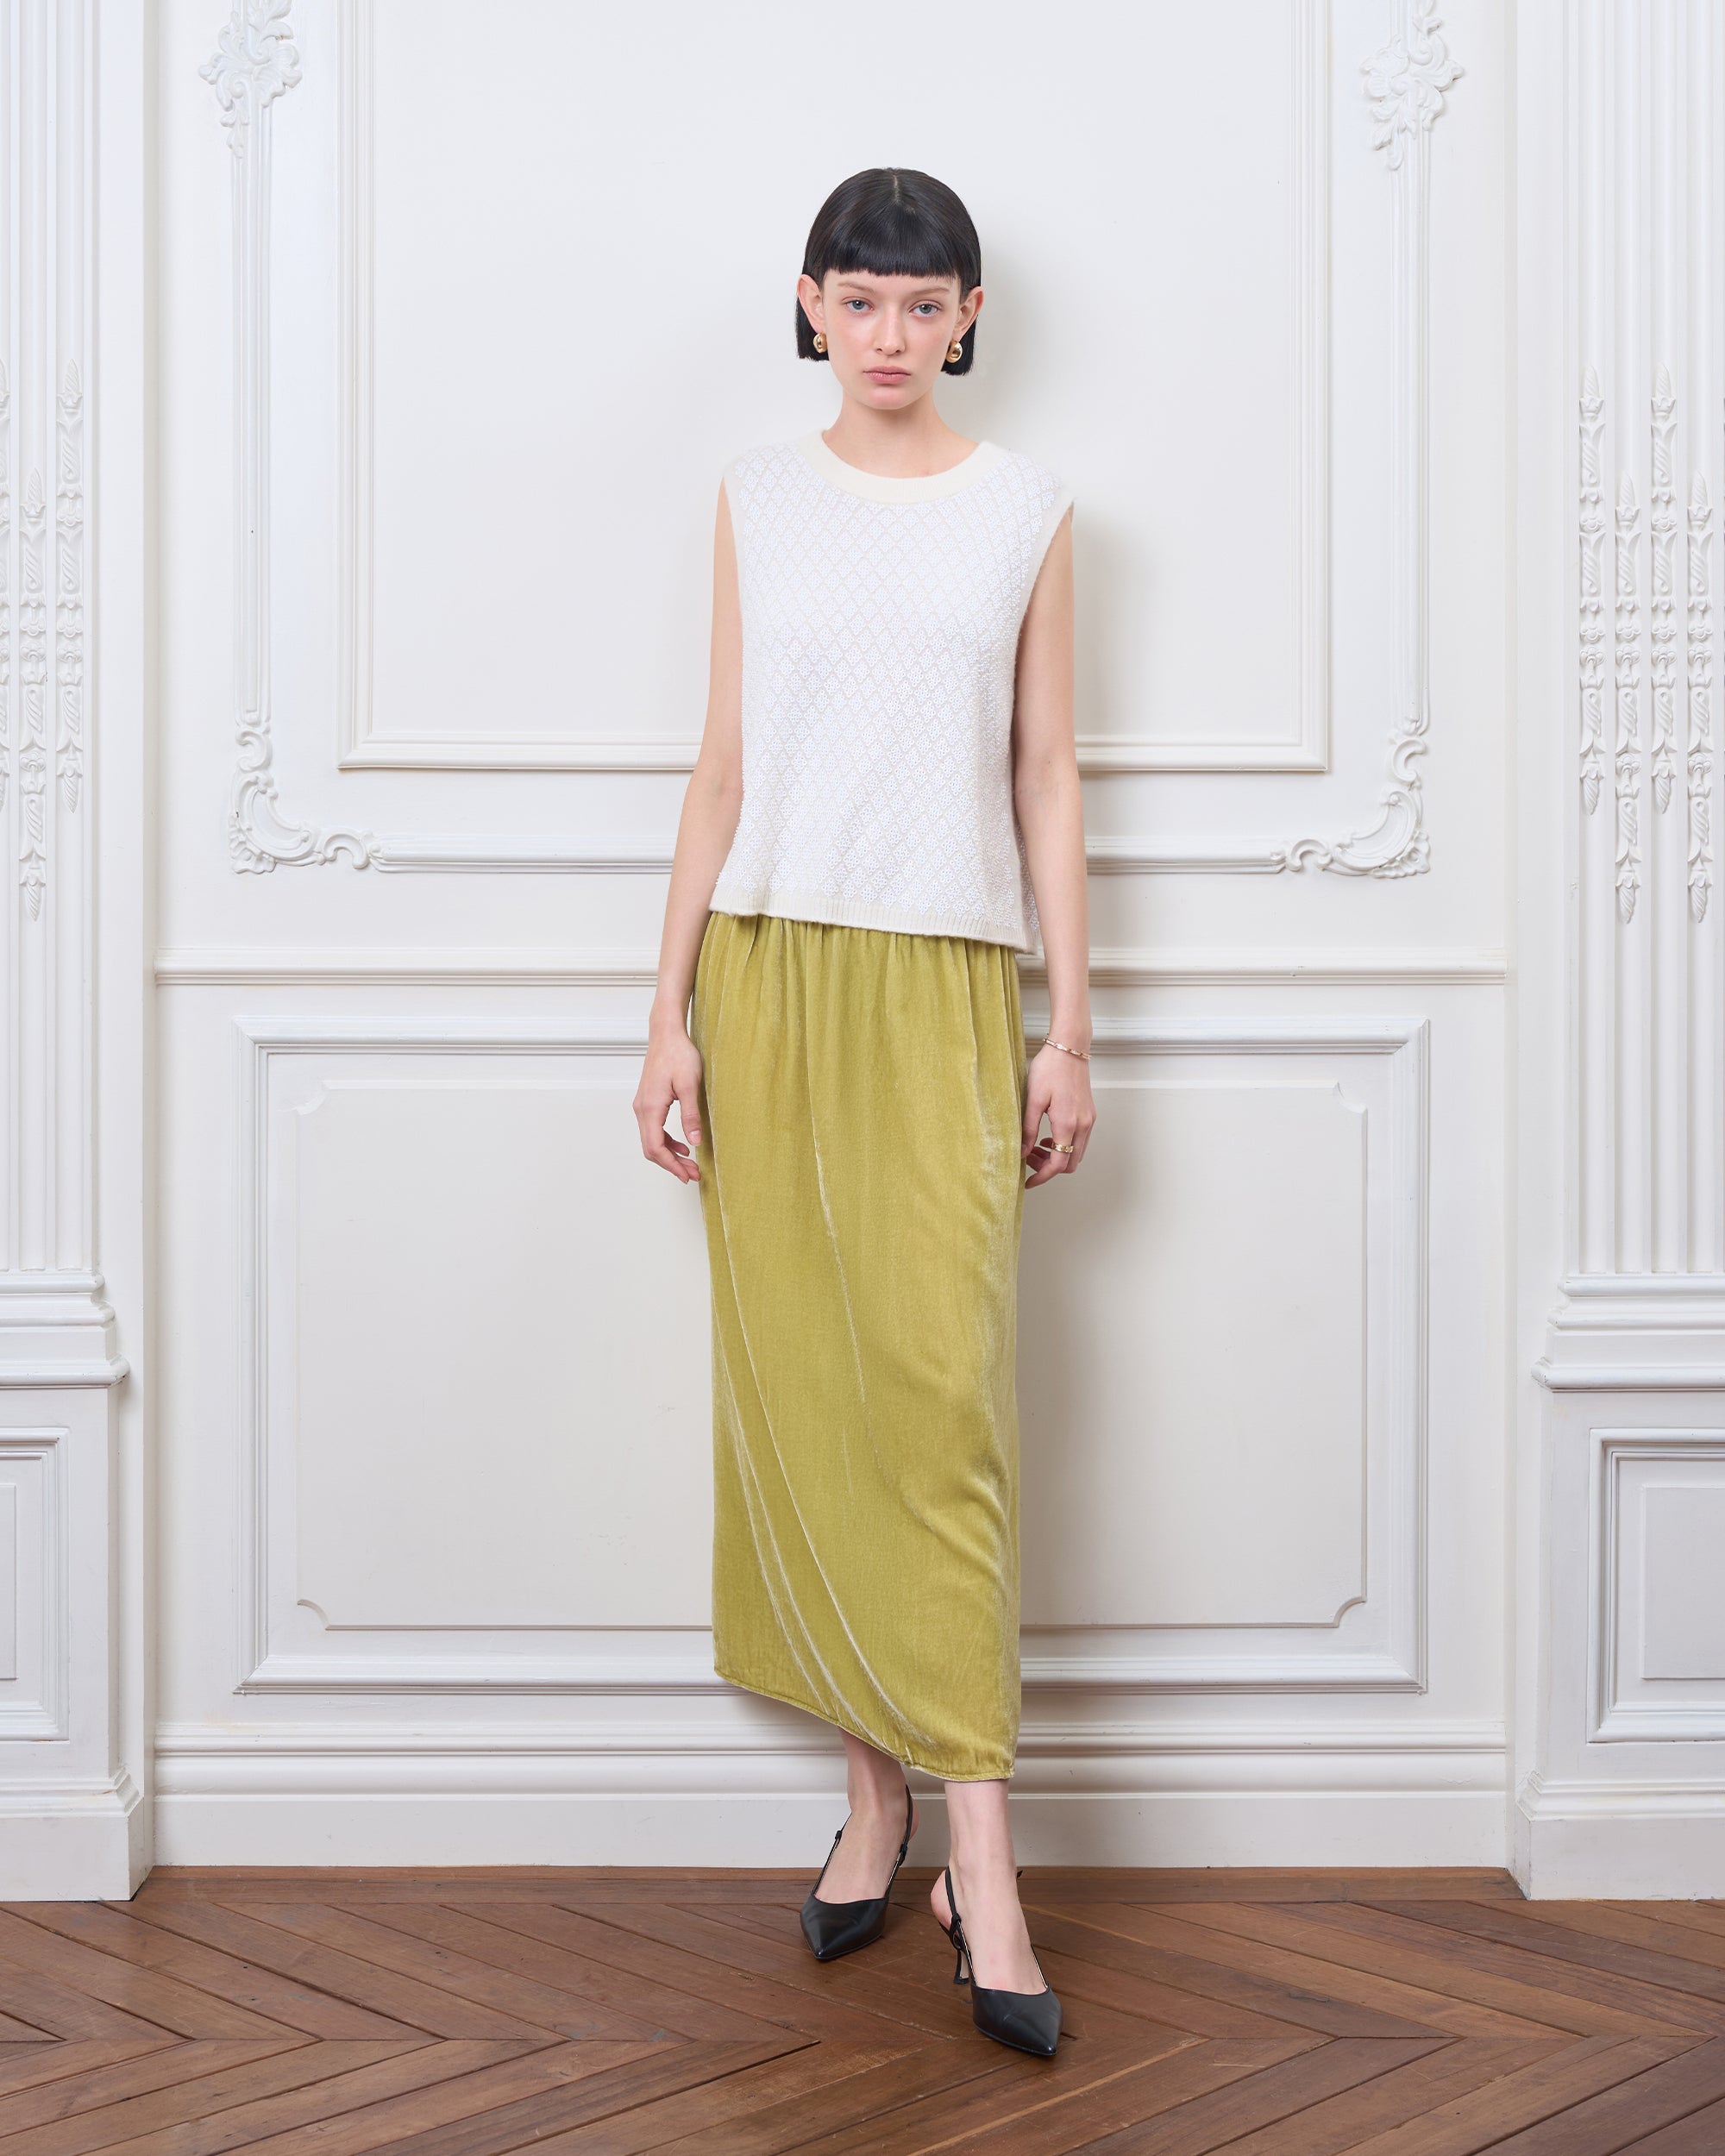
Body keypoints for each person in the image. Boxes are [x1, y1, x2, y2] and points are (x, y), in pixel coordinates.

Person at [634, 166, 1094, 2059]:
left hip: (942, 982)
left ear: (966, 315)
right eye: (859, 297)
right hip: (768, 974)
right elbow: (723, 765)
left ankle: (985, 1858)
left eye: (924, 302)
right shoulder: (757, 496)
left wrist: (1070, 1028)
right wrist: (664, 1015)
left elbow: (1046, 771)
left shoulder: (1026, 508)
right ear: (812, 303)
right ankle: (874, 1805)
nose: (889, 333)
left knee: (939, 1403)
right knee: (812, 1388)